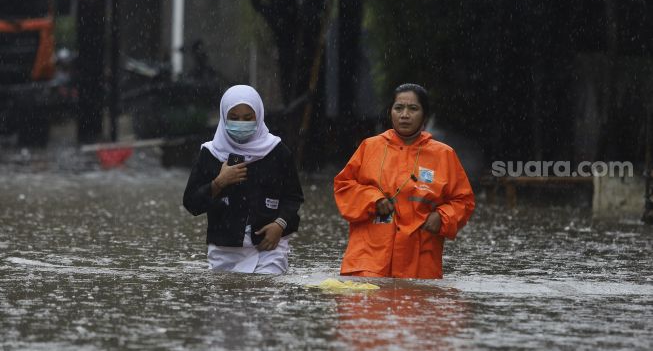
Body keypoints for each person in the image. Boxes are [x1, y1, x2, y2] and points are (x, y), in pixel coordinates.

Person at [333, 83, 475, 279]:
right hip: (367, 259)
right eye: (398, 108)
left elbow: (464, 201)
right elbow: (343, 186)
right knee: (363, 307)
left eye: (413, 108)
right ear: (390, 112)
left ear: (425, 116)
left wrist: (442, 217)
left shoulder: (444, 154)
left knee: (417, 307)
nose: (405, 114)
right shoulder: (369, 147)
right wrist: (373, 199)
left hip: (420, 261)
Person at [183, 85, 304, 274]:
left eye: (248, 118)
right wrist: (219, 182)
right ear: (224, 117)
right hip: (225, 248)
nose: (241, 123)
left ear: (259, 116)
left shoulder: (277, 151)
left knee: (267, 295)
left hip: (269, 248)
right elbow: (192, 203)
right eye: (234, 118)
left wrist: (280, 225)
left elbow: (293, 197)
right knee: (226, 300)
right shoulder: (210, 153)